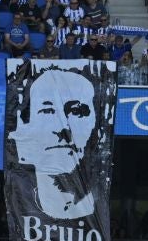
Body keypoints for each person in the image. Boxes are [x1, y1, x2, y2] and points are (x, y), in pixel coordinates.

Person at [8, 66, 100, 220]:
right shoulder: (21, 200)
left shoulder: (96, 203)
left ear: (94, 126)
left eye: (76, 112)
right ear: (26, 126)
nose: (64, 127)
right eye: (48, 111)